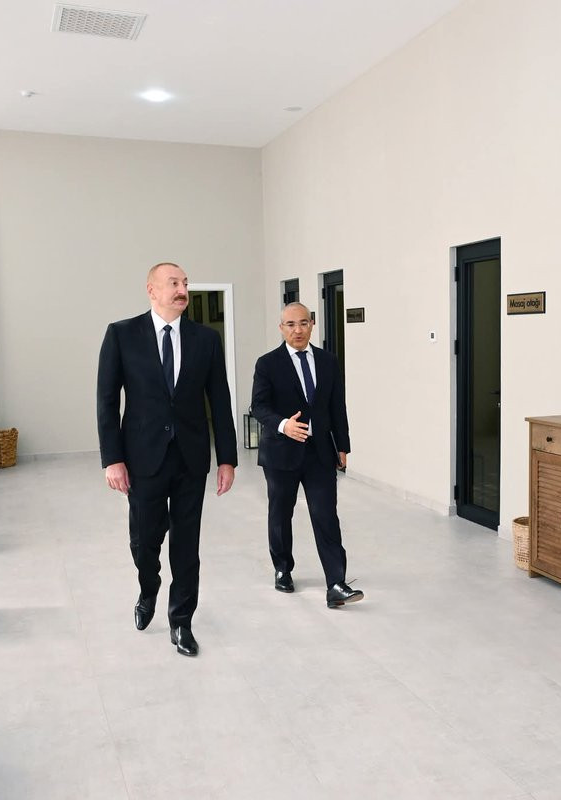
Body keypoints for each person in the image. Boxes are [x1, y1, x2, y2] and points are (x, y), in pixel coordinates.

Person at [96, 262, 237, 656]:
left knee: (187, 545)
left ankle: (181, 621)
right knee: (145, 541)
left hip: (191, 459)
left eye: (185, 283)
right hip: (142, 459)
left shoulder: (206, 340)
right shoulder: (122, 334)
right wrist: (112, 459)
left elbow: (220, 400)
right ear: (152, 289)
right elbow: (107, 401)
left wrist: (227, 458)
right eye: (174, 283)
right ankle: (149, 587)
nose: (182, 290)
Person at [251, 302, 363, 608]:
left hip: (319, 452)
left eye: (303, 323)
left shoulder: (328, 361)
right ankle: (282, 568)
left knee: (326, 516)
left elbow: (337, 406)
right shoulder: (267, 364)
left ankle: (336, 583)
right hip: (281, 453)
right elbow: (258, 406)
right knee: (280, 514)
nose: (297, 330)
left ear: (312, 324)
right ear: (281, 328)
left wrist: (343, 446)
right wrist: (283, 425)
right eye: (290, 324)